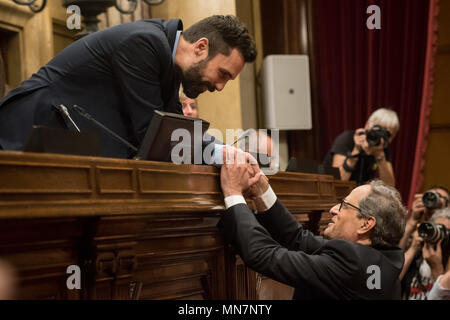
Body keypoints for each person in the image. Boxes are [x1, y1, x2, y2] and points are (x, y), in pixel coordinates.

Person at [0, 15, 257, 158]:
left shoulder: (167, 59)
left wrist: (225, 152)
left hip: (58, 151)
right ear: (201, 47)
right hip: (23, 137)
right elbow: (155, 134)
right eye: (223, 74)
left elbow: (174, 129)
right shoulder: (144, 43)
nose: (220, 87)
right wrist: (225, 155)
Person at [218, 148, 406, 299]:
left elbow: (264, 256)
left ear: (366, 224)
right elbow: (299, 239)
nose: (333, 209)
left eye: (344, 205)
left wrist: (233, 193)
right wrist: (262, 192)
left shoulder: (352, 263)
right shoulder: (388, 262)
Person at [322, 108, 399, 187]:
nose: (380, 137)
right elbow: (336, 182)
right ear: (367, 126)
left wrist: (380, 156)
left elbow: (389, 186)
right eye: (377, 130)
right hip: (329, 192)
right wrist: (355, 152)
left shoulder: (382, 147)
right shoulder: (347, 139)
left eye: (387, 135)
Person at [400, 207, 450, 300]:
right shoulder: (417, 254)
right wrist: (413, 249)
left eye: (445, 232)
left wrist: (437, 269)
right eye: (437, 228)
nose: (439, 235)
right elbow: (391, 280)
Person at [399, 185, 449, 250]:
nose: (433, 200)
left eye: (440, 196)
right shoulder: (418, 234)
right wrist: (412, 220)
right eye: (429, 197)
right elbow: (395, 256)